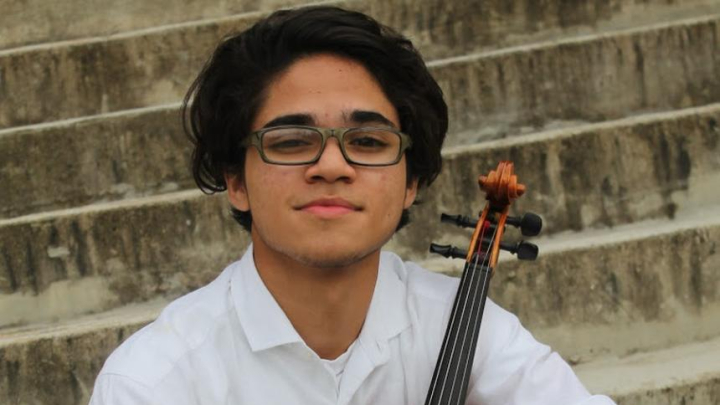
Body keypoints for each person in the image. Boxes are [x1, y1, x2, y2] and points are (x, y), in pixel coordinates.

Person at [89, 6, 616, 405]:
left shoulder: (468, 331)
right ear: (236, 181)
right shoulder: (154, 382)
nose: (332, 166)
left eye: (367, 142)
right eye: (291, 141)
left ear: (410, 182)